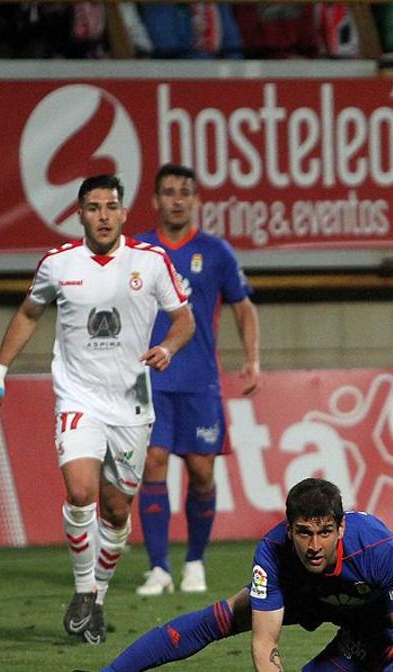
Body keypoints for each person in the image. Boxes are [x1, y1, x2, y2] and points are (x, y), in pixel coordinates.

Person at [0, 174, 194, 645]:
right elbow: (29, 313)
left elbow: (184, 318)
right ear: (80, 214)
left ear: (122, 213)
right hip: (78, 398)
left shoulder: (151, 262)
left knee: (116, 513)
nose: (102, 215)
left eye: (110, 207)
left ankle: (96, 600)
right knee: (81, 492)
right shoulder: (58, 265)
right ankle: (82, 590)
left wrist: (168, 348)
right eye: (93, 207)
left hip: (132, 406)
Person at [62, 478, 393, 672]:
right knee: (221, 619)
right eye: (304, 533)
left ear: (341, 528)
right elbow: (264, 640)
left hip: (371, 621)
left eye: (325, 533)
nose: (315, 546)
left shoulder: (376, 547)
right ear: (289, 528)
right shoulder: (272, 550)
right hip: (307, 596)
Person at [133, 164, 260, 598]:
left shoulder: (217, 252)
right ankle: (158, 567)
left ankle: (194, 561)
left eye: (185, 192)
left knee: (202, 471)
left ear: (196, 200)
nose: (177, 200)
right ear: (155, 200)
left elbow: (243, 307)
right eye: (168, 192)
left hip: (200, 380)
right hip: (152, 378)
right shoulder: (139, 250)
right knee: (152, 462)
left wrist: (252, 360)